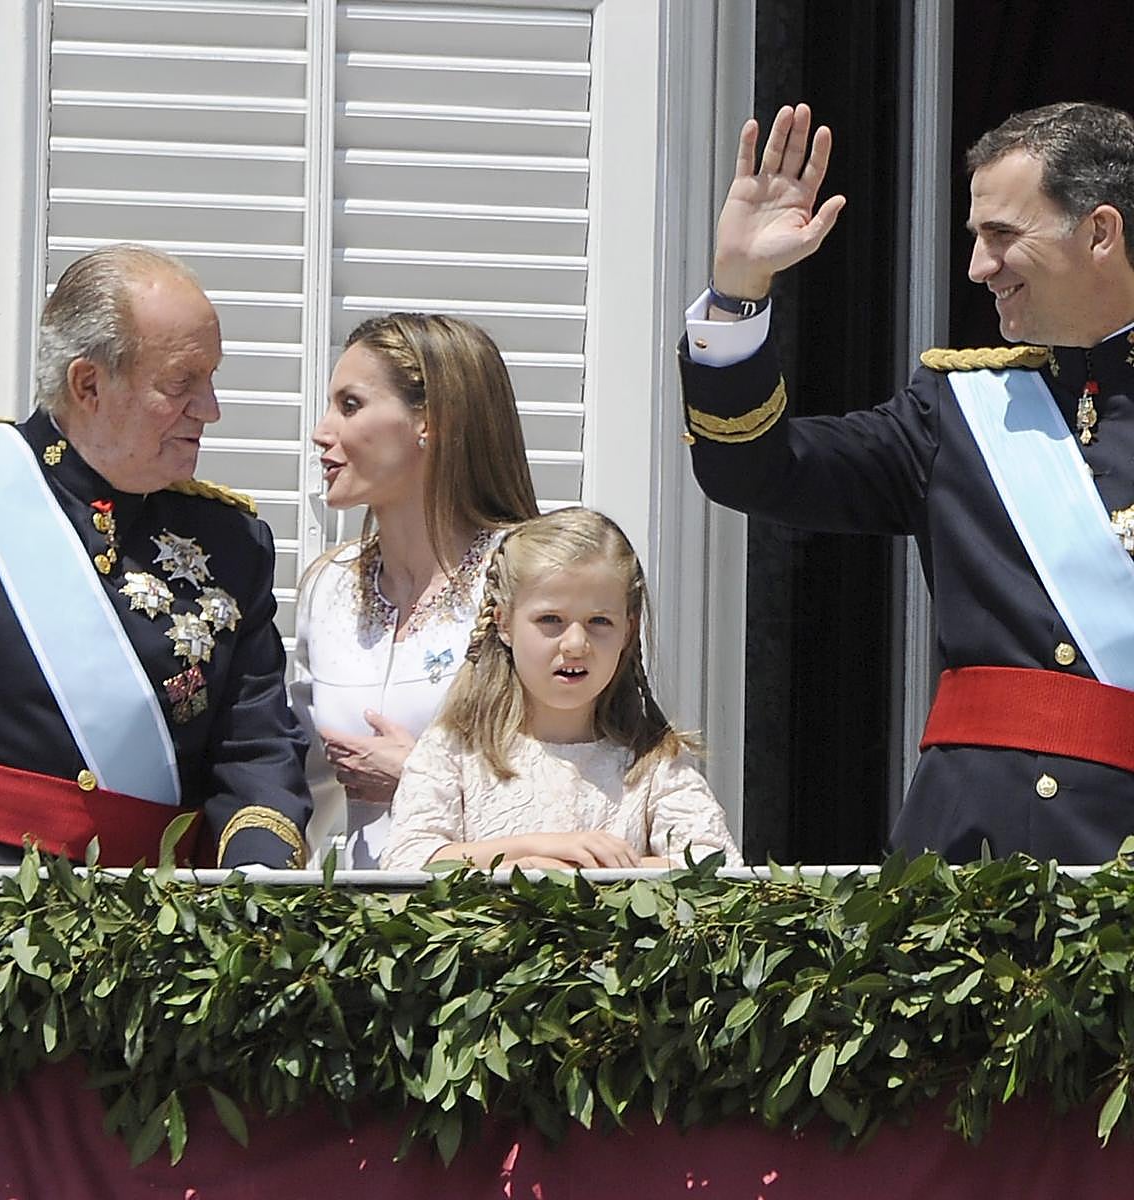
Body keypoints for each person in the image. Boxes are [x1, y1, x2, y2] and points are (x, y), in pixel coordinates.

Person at [680, 100, 1134, 864]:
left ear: (1100, 231)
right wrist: (739, 287)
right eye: (975, 238)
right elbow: (752, 467)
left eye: (1002, 236)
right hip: (967, 853)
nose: (978, 268)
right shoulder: (956, 410)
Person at [0, 243, 311, 868]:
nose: (210, 410)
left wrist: (255, 880)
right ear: (89, 383)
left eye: (211, 378)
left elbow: (255, 749)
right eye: (180, 384)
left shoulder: (230, 543)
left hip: (155, 934)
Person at [292, 313, 540, 867]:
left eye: (350, 405)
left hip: (490, 927)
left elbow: (599, 775)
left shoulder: (530, 578)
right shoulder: (327, 587)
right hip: (353, 930)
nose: (321, 431)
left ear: (432, 421)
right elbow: (303, 786)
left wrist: (420, 775)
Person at [381, 508, 741, 870]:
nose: (575, 643)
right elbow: (406, 864)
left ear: (628, 631)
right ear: (503, 622)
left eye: (599, 621)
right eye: (550, 620)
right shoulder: (457, 747)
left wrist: (596, 875)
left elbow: (718, 867)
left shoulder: (651, 763)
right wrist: (533, 855)